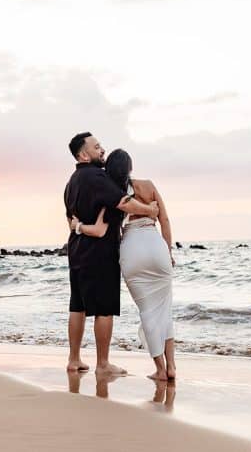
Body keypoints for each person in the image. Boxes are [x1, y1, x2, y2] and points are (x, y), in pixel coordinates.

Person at [72, 148, 176, 381]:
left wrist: (78, 226)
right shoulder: (148, 185)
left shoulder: (113, 194)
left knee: (148, 312)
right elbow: (165, 220)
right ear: (130, 167)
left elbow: (101, 229)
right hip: (156, 247)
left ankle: (160, 369)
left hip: (131, 250)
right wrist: (167, 252)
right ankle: (172, 367)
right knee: (164, 312)